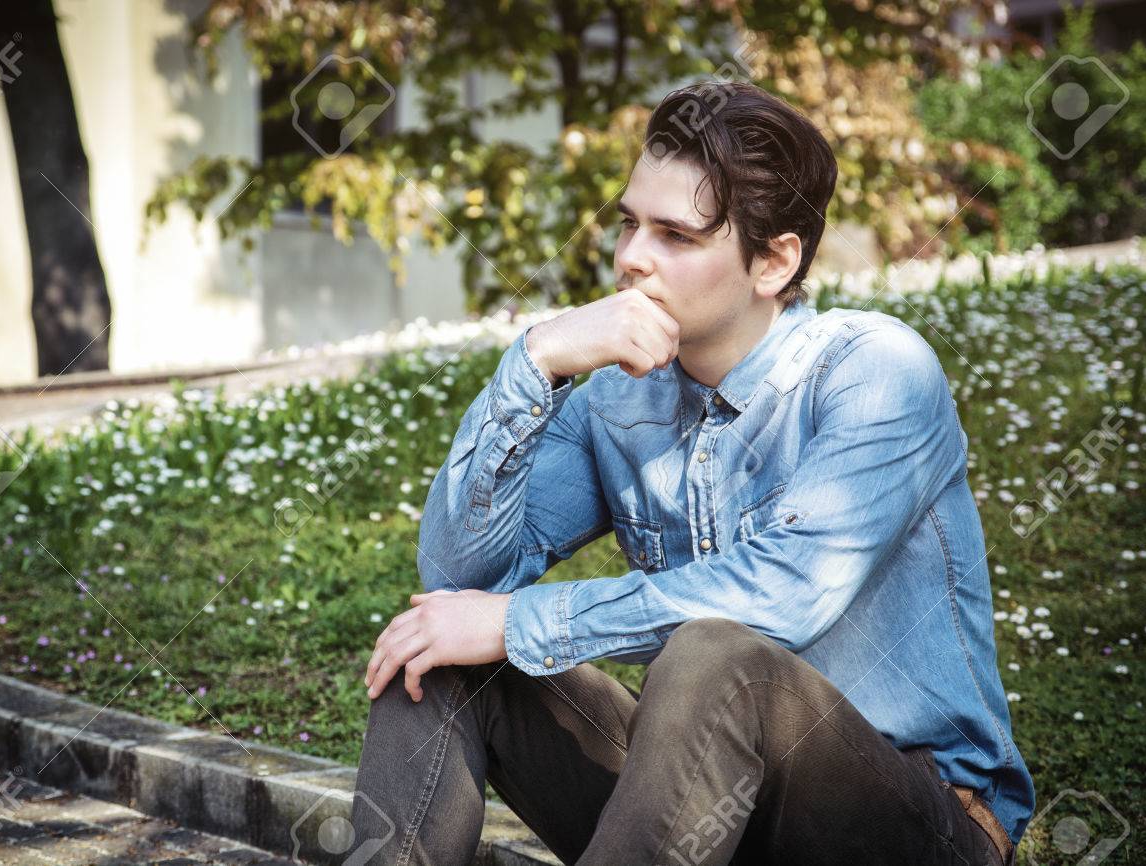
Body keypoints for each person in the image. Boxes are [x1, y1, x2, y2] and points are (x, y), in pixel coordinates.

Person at [351, 80, 1034, 866]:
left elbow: (781, 595)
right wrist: (534, 361)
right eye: (629, 223)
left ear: (774, 260)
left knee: (718, 658)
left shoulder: (875, 370)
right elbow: (459, 570)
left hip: (913, 823)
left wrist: (513, 622)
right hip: (704, 810)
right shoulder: (617, 396)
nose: (632, 258)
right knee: (432, 649)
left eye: (676, 235)